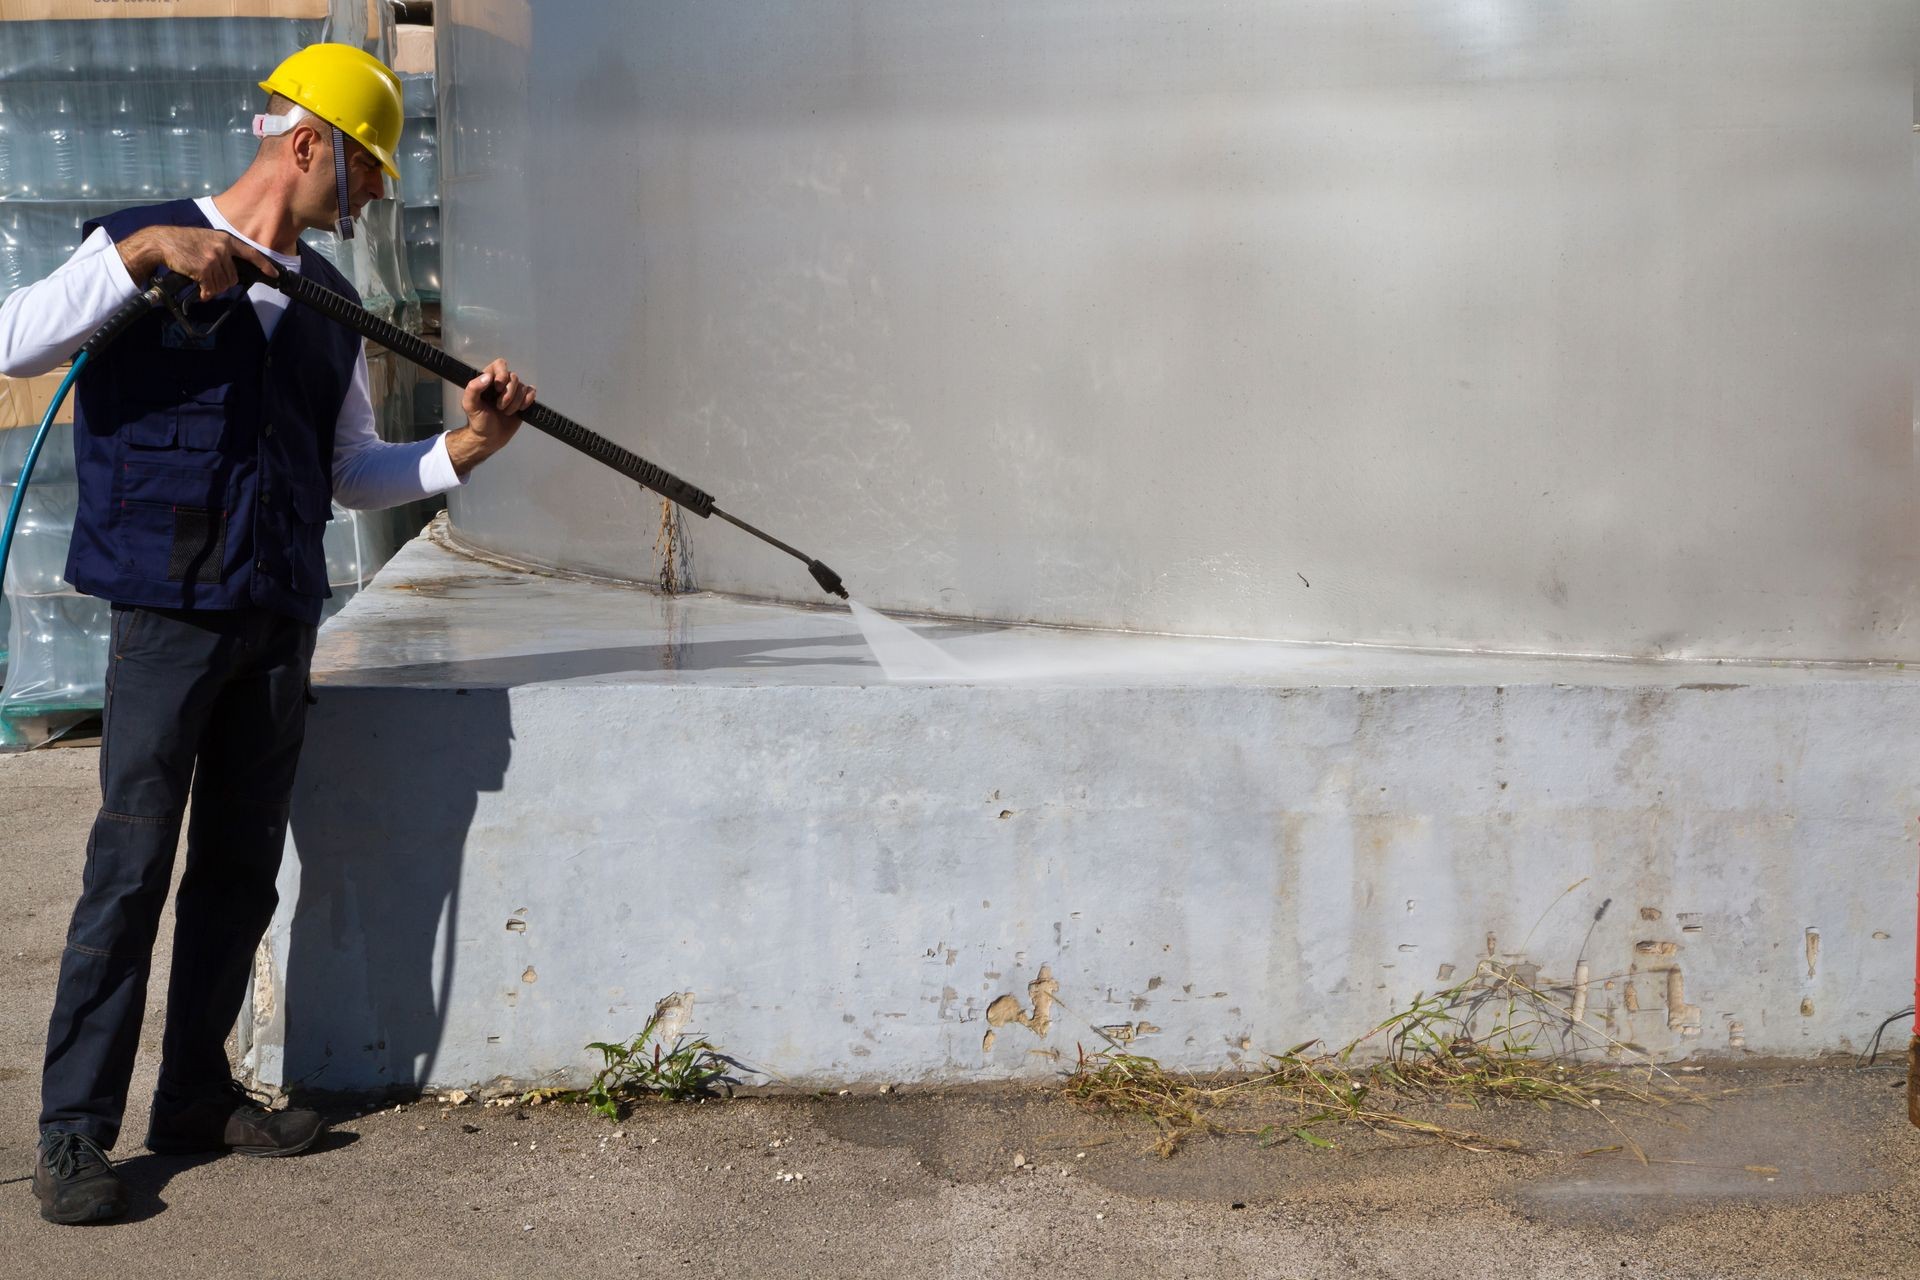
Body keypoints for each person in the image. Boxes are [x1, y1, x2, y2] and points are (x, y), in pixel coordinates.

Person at [0, 43, 535, 1225]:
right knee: (130, 870)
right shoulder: (139, 240)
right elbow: (13, 339)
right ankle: (74, 1131)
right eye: (370, 169)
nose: (379, 195)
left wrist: (463, 454)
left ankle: (193, 1095)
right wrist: (142, 259)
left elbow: (349, 470)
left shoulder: (329, 304)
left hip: (279, 614)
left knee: (240, 873)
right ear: (307, 144)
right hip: (167, 614)